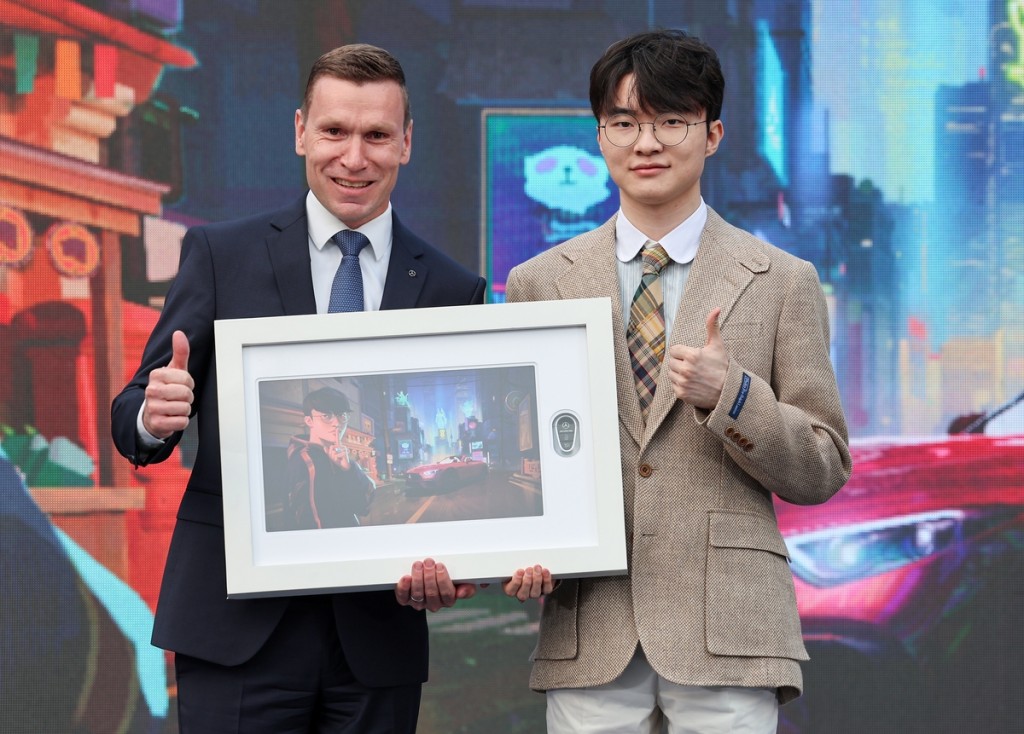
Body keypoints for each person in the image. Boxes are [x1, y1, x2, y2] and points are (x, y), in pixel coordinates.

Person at [111, 44, 483, 733]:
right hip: (233, 625)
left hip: (378, 633)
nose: (354, 156)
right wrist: (152, 418)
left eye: (376, 135)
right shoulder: (221, 253)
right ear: (299, 132)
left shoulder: (452, 288)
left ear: (406, 143)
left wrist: (459, 562)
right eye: (335, 131)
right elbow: (134, 409)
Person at [502, 30, 852, 734]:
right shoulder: (539, 283)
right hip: (590, 624)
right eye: (625, 122)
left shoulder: (783, 282)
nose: (646, 142)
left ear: (713, 133)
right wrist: (519, 542)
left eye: (671, 120)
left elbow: (823, 465)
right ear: (601, 135)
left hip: (730, 630)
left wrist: (734, 395)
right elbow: (521, 461)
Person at [285, 387, 373, 530]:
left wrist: (349, 469)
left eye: (342, 415)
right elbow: (310, 520)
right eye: (327, 416)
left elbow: (363, 506)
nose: (337, 423)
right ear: (309, 420)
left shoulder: (337, 458)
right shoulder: (306, 462)